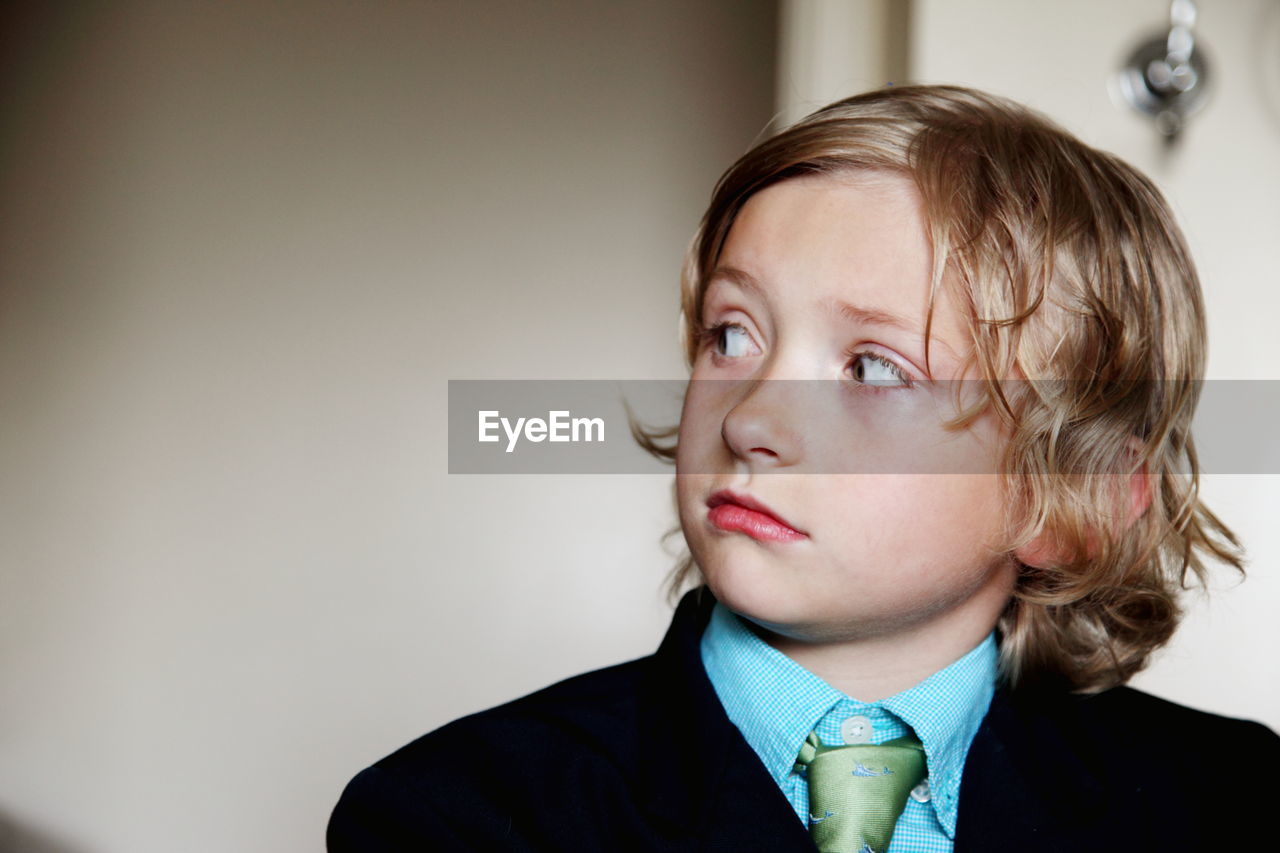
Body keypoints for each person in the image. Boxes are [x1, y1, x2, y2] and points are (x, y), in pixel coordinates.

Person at [327, 84, 1280, 851]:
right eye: (731, 334)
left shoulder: (1235, 804)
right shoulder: (460, 813)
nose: (752, 418)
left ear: (1073, 503)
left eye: (873, 367)